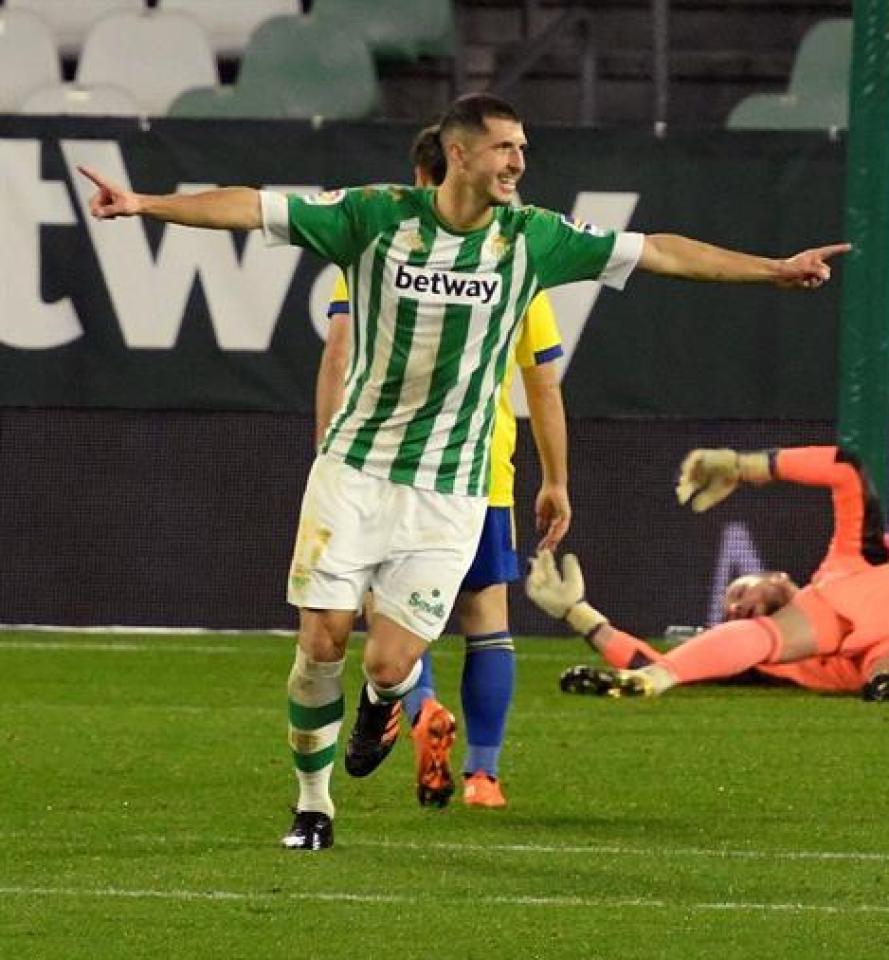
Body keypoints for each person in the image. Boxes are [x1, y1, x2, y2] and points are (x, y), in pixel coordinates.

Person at [79, 92, 848, 852]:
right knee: (320, 642)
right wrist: (145, 203)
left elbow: (660, 251)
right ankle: (313, 805)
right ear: (459, 153)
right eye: (505, 147)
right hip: (354, 470)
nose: (519, 161)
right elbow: (254, 208)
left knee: (391, 661)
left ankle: (385, 704)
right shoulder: (374, 217)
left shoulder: (533, 240)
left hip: (451, 489)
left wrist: (771, 270)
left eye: (521, 148)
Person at [317, 125, 567, 810]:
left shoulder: (373, 252)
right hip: (478, 471)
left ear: (415, 181)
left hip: (379, 467)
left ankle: (419, 705)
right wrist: (556, 478)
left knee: (386, 613)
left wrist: (329, 459)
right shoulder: (514, 259)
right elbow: (543, 381)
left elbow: (337, 356)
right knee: (487, 618)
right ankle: (484, 774)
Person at [526, 445, 889, 701]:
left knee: (792, 628)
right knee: (883, 675)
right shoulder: (784, 666)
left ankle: (657, 685)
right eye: (734, 612)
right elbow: (670, 659)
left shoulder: (848, 560)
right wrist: (578, 614)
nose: (737, 606)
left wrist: (745, 466)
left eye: (738, 592)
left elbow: (847, 469)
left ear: (774, 575)